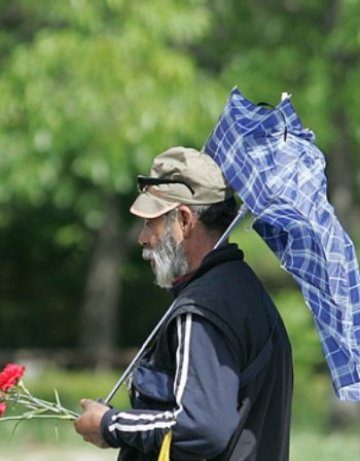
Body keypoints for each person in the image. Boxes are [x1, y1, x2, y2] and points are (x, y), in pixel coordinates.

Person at [74, 146, 293, 461]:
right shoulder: (242, 289)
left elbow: (203, 428)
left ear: (186, 220)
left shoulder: (202, 308)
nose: (143, 237)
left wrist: (110, 424)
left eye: (152, 223)